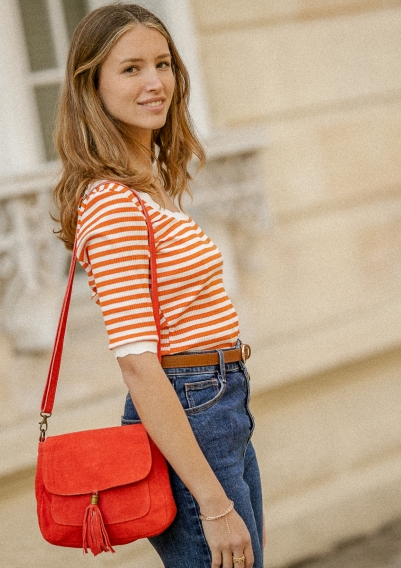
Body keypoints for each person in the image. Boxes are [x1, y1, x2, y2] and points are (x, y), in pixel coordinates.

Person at [53, 4, 264, 567]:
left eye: (163, 63)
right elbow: (138, 364)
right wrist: (213, 503)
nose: (155, 83)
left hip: (219, 404)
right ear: (91, 87)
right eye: (131, 69)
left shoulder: (148, 188)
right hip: (192, 409)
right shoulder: (113, 205)